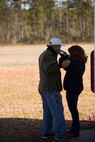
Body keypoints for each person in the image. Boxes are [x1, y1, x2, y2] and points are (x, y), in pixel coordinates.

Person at [38, 37, 66, 141]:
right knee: (57, 111)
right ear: (54, 46)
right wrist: (61, 65)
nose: (60, 49)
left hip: (45, 87)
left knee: (48, 111)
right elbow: (50, 68)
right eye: (59, 46)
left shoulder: (46, 54)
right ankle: (60, 134)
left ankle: (47, 132)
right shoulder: (49, 55)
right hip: (51, 88)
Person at [59, 45, 88, 139]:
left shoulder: (74, 63)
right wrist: (66, 56)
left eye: (71, 53)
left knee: (73, 111)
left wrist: (63, 56)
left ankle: (75, 131)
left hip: (73, 89)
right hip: (76, 88)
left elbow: (62, 62)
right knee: (74, 110)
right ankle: (74, 129)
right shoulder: (80, 62)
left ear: (74, 54)